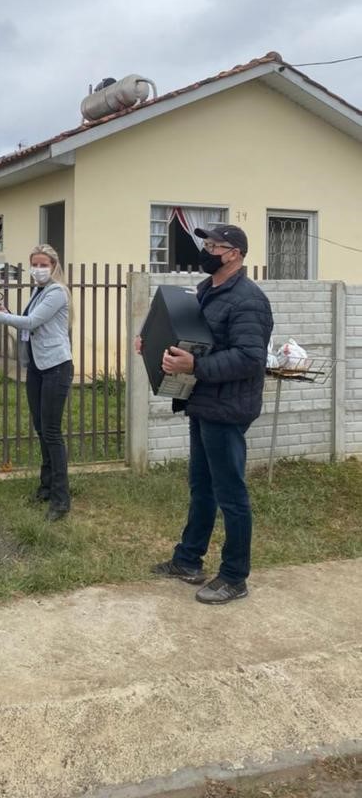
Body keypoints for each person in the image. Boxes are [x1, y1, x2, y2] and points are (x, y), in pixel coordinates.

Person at [147, 224, 273, 604]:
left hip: (227, 407)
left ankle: (235, 576)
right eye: (205, 244)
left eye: (213, 246)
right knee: (202, 487)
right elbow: (193, 340)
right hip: (202, 402)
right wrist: (153, 343)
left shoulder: (248, 300)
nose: (205, 250)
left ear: (233, 253)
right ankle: (188, 560)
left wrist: (196, 368)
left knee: (230, 493)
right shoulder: (205, 291)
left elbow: (250, 358)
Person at [0, 244, 73, 521]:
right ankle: (46, 487)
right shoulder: (39, 291)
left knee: (52, 432)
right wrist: (5, 310)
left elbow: (31, 322)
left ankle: (61, 499)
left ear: (54, 265)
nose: (38, 269)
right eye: (34, 264)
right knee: (41, 428)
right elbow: (28, 320)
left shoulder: (56, 291)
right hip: (38, 367)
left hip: (56, 367)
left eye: (43, 264)